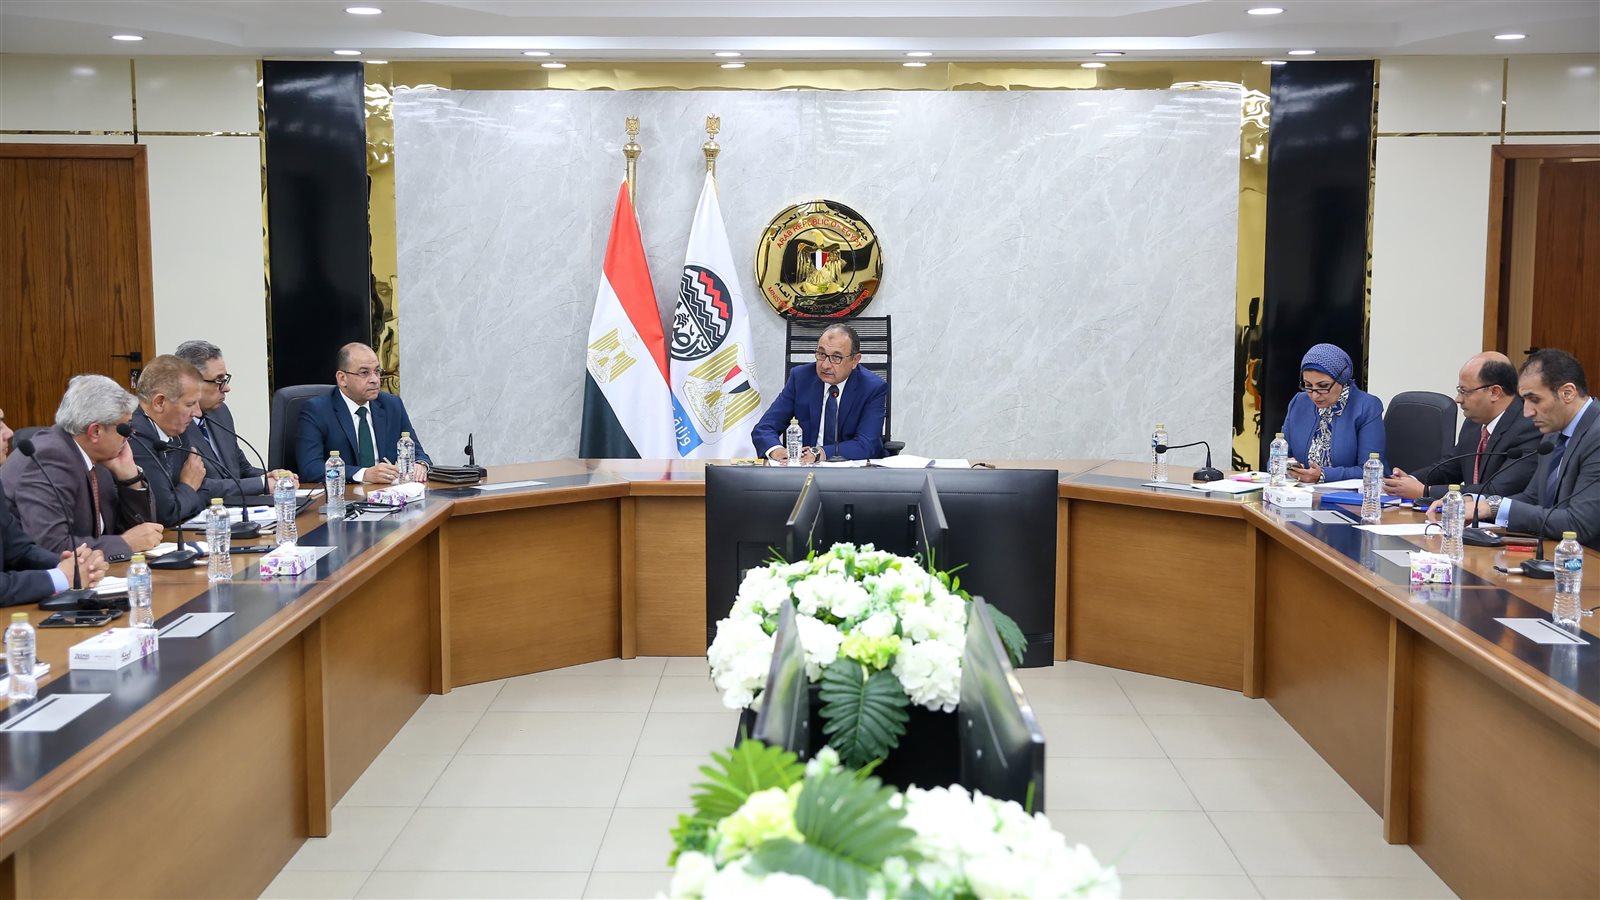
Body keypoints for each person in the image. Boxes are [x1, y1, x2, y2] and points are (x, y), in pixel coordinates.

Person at [1449, 348, 1600, 550]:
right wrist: (1479, 503)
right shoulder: (1553, 433)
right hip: (1554, 553)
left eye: (1534, 399)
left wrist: (1496, 507)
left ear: (1567, 393)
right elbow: (1533, 498)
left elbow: (1579, 524)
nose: (1527, 412)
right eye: (1524, 400)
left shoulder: (1596, 436)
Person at [0, 375, 163, 559]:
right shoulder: (50, 458)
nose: (129, 435)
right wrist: (126, 543)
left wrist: (130, 478)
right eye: (126, 428)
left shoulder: (97, 457)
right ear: (95, 431)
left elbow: (145, 533)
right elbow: (52, 547)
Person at [1383, 352, 1540, 501]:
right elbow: (1450, 467)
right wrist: (1409, 480)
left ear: (1495, 392)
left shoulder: (1528, 427)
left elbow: (1496, 491)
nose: (1458, 399)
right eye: (1459, 390)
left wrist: (1426, 491)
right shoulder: (1474, 423)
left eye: (1465, 391)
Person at [173, 339, 298, 500]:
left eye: (225, 380)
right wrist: (262, 484)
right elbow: (200, 486)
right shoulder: (176, 424)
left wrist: (272, 477)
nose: (226, 388)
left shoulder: (220, 413)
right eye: (219, 381)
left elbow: (242, 469)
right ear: (190, 383)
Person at [296, 343, 431, 483]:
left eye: (377, 371)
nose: (375, 380)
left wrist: (420, 465)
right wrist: (363, 474)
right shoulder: (317, 410)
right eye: (364, 373)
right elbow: (310, 468)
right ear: (342, 378)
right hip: (345, 493)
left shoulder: (392, 405)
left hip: (389, 491)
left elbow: (418, 453)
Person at [752, 324, 888, 462]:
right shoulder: (801, 378)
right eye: (822, 354)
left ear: (855, 360)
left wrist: (821, 453)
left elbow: (866, 445)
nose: (825, 365)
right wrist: (776, 451)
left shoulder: (872, 387)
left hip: (853, 470)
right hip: (804, 468)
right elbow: (764, 428)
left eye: (836, 357)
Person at [1280, 343, 1385, 483]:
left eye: (1323, 386)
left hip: (1352, 494)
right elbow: (1278, 455)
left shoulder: (1367, 406)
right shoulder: (1299, 402)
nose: (1315, 395)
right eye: (1308, 386)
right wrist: (1287, 466)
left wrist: (1323, 475)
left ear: (1342, 379)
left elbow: (1370, 469)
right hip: (1302, 490)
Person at [127, 354, 211, 526]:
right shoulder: (135, 436)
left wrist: (186, 494)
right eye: (190, 404)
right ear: (159, 403)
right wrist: (188, 487)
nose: (198, 413)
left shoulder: (177, 429)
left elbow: (204, 490)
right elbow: (165, 513)